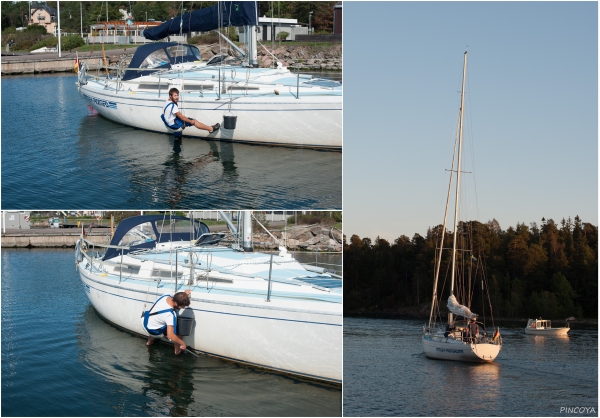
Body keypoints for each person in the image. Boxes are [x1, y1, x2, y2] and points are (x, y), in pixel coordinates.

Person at [143, 289, 192, 355]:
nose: (183, 308)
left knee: (158, 323)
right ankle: (177, 351)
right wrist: (182, 343)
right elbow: (170, 336)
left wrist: (184, 295)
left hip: (146, 321)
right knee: (178, 329)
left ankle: (149, 342)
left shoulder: (165, 296)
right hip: (156, 332)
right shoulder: (170, 315)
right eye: (182, 306)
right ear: (176, 303)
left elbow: (178, 298)